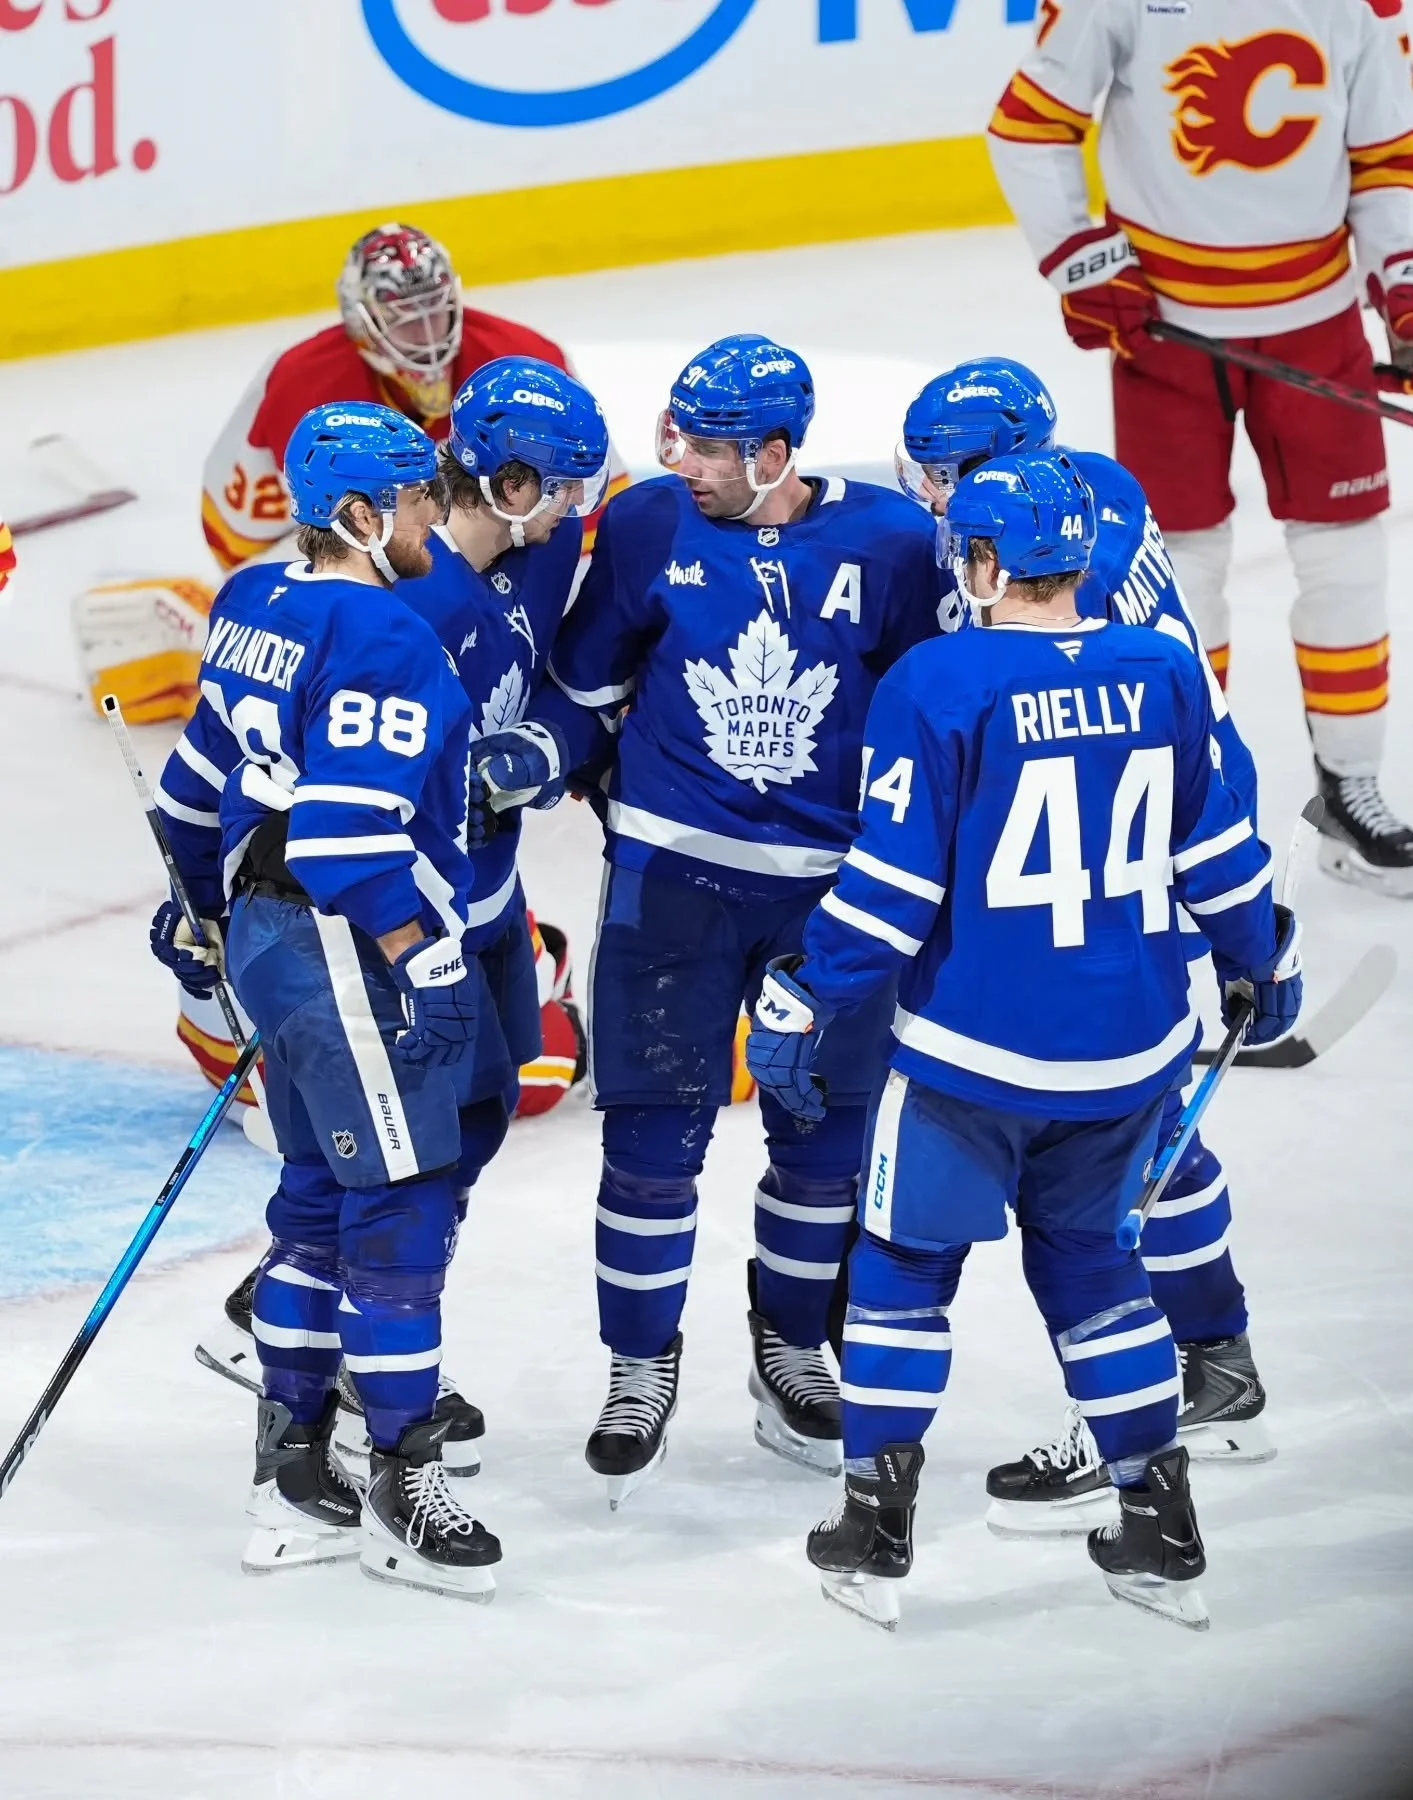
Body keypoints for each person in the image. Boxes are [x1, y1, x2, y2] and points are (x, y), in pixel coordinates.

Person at [744, 450, 1303, 1632]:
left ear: (987, 564)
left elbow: (892, 890)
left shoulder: (942, 680)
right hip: (1131, 1052)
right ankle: (1159, 1516)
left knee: (902, 1265)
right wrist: (1268, 957)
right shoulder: (1162, 665)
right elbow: (1218, 853)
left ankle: (877, 1517)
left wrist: (806, 991)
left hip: (972, 1055)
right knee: (1100, 1274)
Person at [477, 335, 957, 1505]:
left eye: (704, 444)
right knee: (647, 1150)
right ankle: (639, 1366)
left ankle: (791, 1346)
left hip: (828, 901)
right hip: (671, 883)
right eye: (673, 432)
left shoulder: (893, 545)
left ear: (778, 453)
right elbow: (586, 689)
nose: (674, 456)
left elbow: (937, 714)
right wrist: (541, 749)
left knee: (822, 1153)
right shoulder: (646, 524)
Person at [896, 360, 1274, 1537]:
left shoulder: (1061, 566)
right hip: (1153, 806)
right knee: (1148, 1128)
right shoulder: (1081, 492)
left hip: (1130, 832)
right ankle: (1218, 1360)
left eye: (948, 473)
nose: (935, 499)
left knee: (1129, 1141)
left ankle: (1189, 1372)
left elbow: (1044, 711)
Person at [148, 400, 502, 1601]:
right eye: (414, 500)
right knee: (398, 1206)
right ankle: (403, 1482)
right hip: (342, 937)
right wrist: (432, 958)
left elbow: (192, 784)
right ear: (361, 513)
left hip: (264, 933)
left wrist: (200, 913)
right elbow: (351, 841)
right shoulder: (388, 634)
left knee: (315, 1200)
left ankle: (292, 1479)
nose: (433, 518)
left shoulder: (255, 597)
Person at [988, 0, 1413, 897]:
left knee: (1345, 561)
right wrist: (1079, 256)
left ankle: (1350, 785)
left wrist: (1408, 278)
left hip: (1317, 324)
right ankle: (1186, 798)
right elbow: (1028, 126)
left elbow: (1386, 158)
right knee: (1177, 571)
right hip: (1164, 332)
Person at [200, 222, 626, 573]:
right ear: (361, 322)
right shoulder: (300, 385)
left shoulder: (525, 363)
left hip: (510, 552)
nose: (428, 339)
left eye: (435, 312)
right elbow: (241, 539)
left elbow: (596, 506)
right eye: (405, 322)